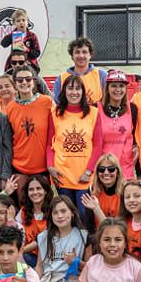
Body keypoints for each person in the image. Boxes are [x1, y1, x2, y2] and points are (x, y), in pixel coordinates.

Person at [47, 74, 100, 220]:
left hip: (84, 176)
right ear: (64, 91)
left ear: (83, 91)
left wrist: (89, 171)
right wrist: (50, 166)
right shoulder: (55, 113)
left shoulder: (93, 113)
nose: (74, 92)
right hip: (62, 174)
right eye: (70, 88)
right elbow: (49, 144)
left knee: (83, 216)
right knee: (66, 216)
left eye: (78, 88)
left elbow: (98, 145)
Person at [4, 65, 54, 205]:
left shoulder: (47, 102)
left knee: (43, 209)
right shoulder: (11, 108)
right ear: (15, 83)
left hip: (42, 168)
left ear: (34, 81)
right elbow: (8, 140)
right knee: (24, 209)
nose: (24, 83)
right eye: (20, 80)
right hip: (20, 168)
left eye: (28, 79)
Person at [37, 196, 91, 282]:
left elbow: (90, 268)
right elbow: (39, 265)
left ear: (72, 213)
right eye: (55, 213)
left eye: (63, 211)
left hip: (74, 281)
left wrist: (76, 261)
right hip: (52, 281)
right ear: (51, 216)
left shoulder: (83, 236)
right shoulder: (44, 237)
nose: (59, 216)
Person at [93, 69, 137, 179]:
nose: (118, 90)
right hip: (103, 168)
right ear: (107, 88)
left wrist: (137, 147)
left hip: (125, 168)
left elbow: (135, 135)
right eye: (114, 86)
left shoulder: (132, 109)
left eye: (121, 86)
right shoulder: (95, 109)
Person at [52, 37, 108, 105]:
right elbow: (57, 104)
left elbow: (107, 102)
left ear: (90, 55)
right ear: (72, 56)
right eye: (77, 52)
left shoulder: (102, 76)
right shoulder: (61, 79)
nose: (81, 56)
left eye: (84, 52)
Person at [82, 153, 125, 229]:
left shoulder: (125, 191)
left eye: (111, 169)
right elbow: (89, 224)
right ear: (97, 173)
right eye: (101, 169)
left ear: (118, 172)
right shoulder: (92, 190)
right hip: (99, 236)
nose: (106, 173)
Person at [17, 174, 53, 267]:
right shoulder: (23, 211)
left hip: (50, 258)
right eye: (31, 189)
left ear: (45, 191)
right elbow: (15, 234)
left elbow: (41, 240)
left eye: (38, 188)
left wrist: (19, 252)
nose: (35, 192)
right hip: (28, 257)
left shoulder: (54, 210)